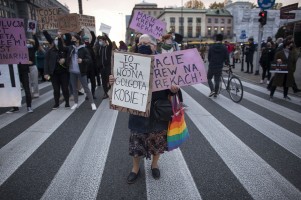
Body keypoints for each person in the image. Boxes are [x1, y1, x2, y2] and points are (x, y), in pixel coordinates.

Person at [109, 34, 180, 184]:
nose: (144, 45)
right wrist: (114, 81)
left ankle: (154, 164)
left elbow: (172, 87)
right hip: (138, 110)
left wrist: (173, 90)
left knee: (158, 141)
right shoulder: (128, 62)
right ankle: (135, 168)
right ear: (137, 45)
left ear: (155, 46)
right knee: (136, 141)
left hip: (157, 110)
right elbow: (121, 84)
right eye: (141, 43)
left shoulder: (164, 63)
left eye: (148, 43)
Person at [62, 34, 97, 110]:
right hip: (72, 71)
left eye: (73, 37)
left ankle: (92, 103)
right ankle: (76, 103)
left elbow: (89, 60)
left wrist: (82, 60)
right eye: (72, 38)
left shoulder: (83, 49)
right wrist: (59, 38)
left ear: (77, 39)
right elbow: (62, 48)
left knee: (86, 88)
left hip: (81, 71)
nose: (72, 38)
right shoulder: (71, 48)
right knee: (74, 88)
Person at [43, 30, 70, 109]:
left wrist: (64, 59)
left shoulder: (64, 49)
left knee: (65, 88)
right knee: (56, 89)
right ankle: (56, 103)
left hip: (64, 73)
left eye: (57, 40)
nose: (56, 42)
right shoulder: (50, 51)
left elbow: (69, 58)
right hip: (54, 73)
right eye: (55, 41)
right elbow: (46, 62)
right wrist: (46, 73)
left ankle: (67, 102)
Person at [207, 34, 229, 98]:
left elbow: (209, 57)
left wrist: (211, 61)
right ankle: (216, 93)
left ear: (216, 39)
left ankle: (212, 90)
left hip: (212, 66)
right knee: (217, 80)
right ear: (222, 39)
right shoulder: (224, 47)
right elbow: (226, 57)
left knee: (209, 78)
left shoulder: (212, 47)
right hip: (219, 66)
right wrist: (227, 63)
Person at [95, 33, 112, 99]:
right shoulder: (100, 48)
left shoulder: (108, 47)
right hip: (102, 68)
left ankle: (110, 90)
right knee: (104, 81)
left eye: (101, 40)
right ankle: (105, 93)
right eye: (99, 40)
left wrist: (107, 36)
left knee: (109, 80)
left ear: (104, 41)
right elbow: (98, 57)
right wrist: (98, 65)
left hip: (108, 67)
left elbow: (110, 43)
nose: (100, 42)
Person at [82, 32, 97, 100]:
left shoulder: (90, 46)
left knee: (93, 82)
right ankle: (88, 94)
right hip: (85, 68)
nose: (87, 40)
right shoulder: (82, 47)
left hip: (92, 68)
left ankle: (93, 94)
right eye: (85, 39)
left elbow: (94, 39)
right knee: (86, 83)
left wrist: (92, 33)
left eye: (87, 39)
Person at [27, 34, 40, 98]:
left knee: (35, 81)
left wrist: (34, 35)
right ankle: (29, 93)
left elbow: (37, 44)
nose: (28, 43)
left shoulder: (33, 49)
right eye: (26, 42)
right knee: (27, 82)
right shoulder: (23, 50)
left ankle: (36, 93)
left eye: (29, 42)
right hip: (26, 67)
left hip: (33, 67)